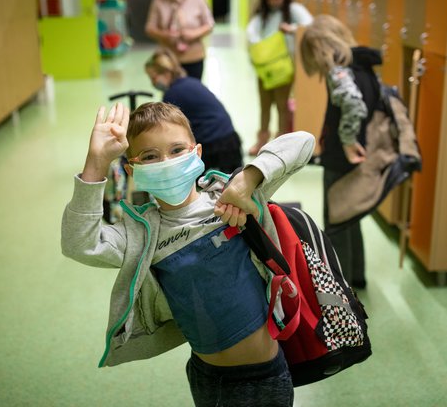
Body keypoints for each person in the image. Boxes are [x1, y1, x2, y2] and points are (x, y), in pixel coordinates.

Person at [61, 101, 315, 406]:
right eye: (151, 156)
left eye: (177, 150)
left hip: (263, 378)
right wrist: (96, 163)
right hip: (204, 377)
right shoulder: (142, 235)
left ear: (197, 153)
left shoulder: (231, 200)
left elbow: (303, 142)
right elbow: (79, 243)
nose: (166, 161)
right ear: (133, 169)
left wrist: (247, 179)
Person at [299, 14, 383, 289]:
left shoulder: (339, 73)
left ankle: (341, 286)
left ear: (320, 47)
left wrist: (346, 142)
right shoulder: (364, 67)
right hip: (361, 155)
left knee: (336, 222)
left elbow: (353, 105)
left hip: (342, 158)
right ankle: (357, 276)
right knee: (351, 216)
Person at [145, 47, 243, 174]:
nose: (153, 83)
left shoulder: (172, 94)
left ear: (166, 73)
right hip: (229, 139)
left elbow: (168, 130)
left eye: (154, 78)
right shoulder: (190, 82)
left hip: (215, 145)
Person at [246, 0, 313, 156]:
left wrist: (291, 29)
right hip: (265, 68)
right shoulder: (262, 15)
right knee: (264, 105)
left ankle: (282, 143)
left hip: (284, 67)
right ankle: (262, 140)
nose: (273, 2)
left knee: (282, 106)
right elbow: (251, 32)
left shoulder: (293, 10)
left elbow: (310, 25)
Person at [145, 0, 214, 80]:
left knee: (192, 92)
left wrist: (193, 34)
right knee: (172, 95)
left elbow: (209, 24)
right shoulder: (159, 1)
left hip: (194, 57)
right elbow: (149, 28)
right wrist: (165, 35)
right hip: (168, 59)